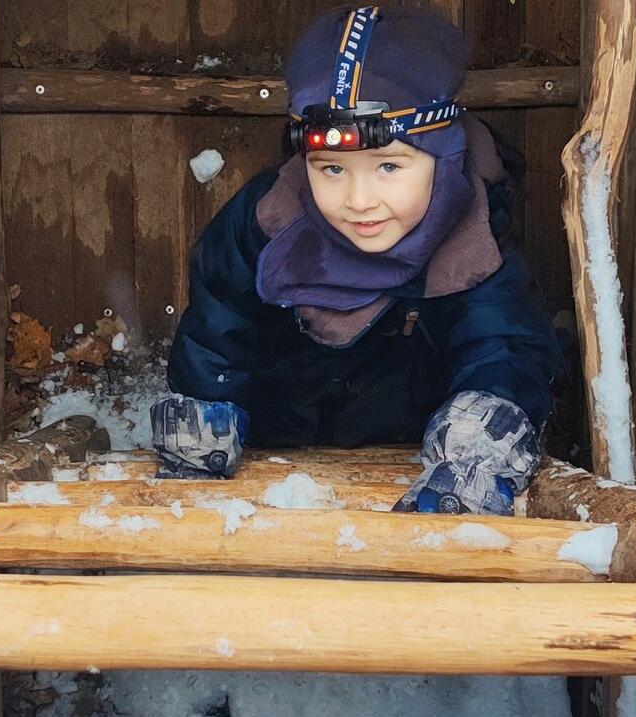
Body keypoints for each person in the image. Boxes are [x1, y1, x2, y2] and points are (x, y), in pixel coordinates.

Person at [153, 5, 560, 517]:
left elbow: (503, 346)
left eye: (389, 165)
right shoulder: (266, 222)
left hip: (415, 461)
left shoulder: (474, 236)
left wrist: (477, 445)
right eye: (331, 169)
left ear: (444, 155)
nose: (359, 199)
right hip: (276, 463)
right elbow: (217, 328)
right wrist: (202, 418)